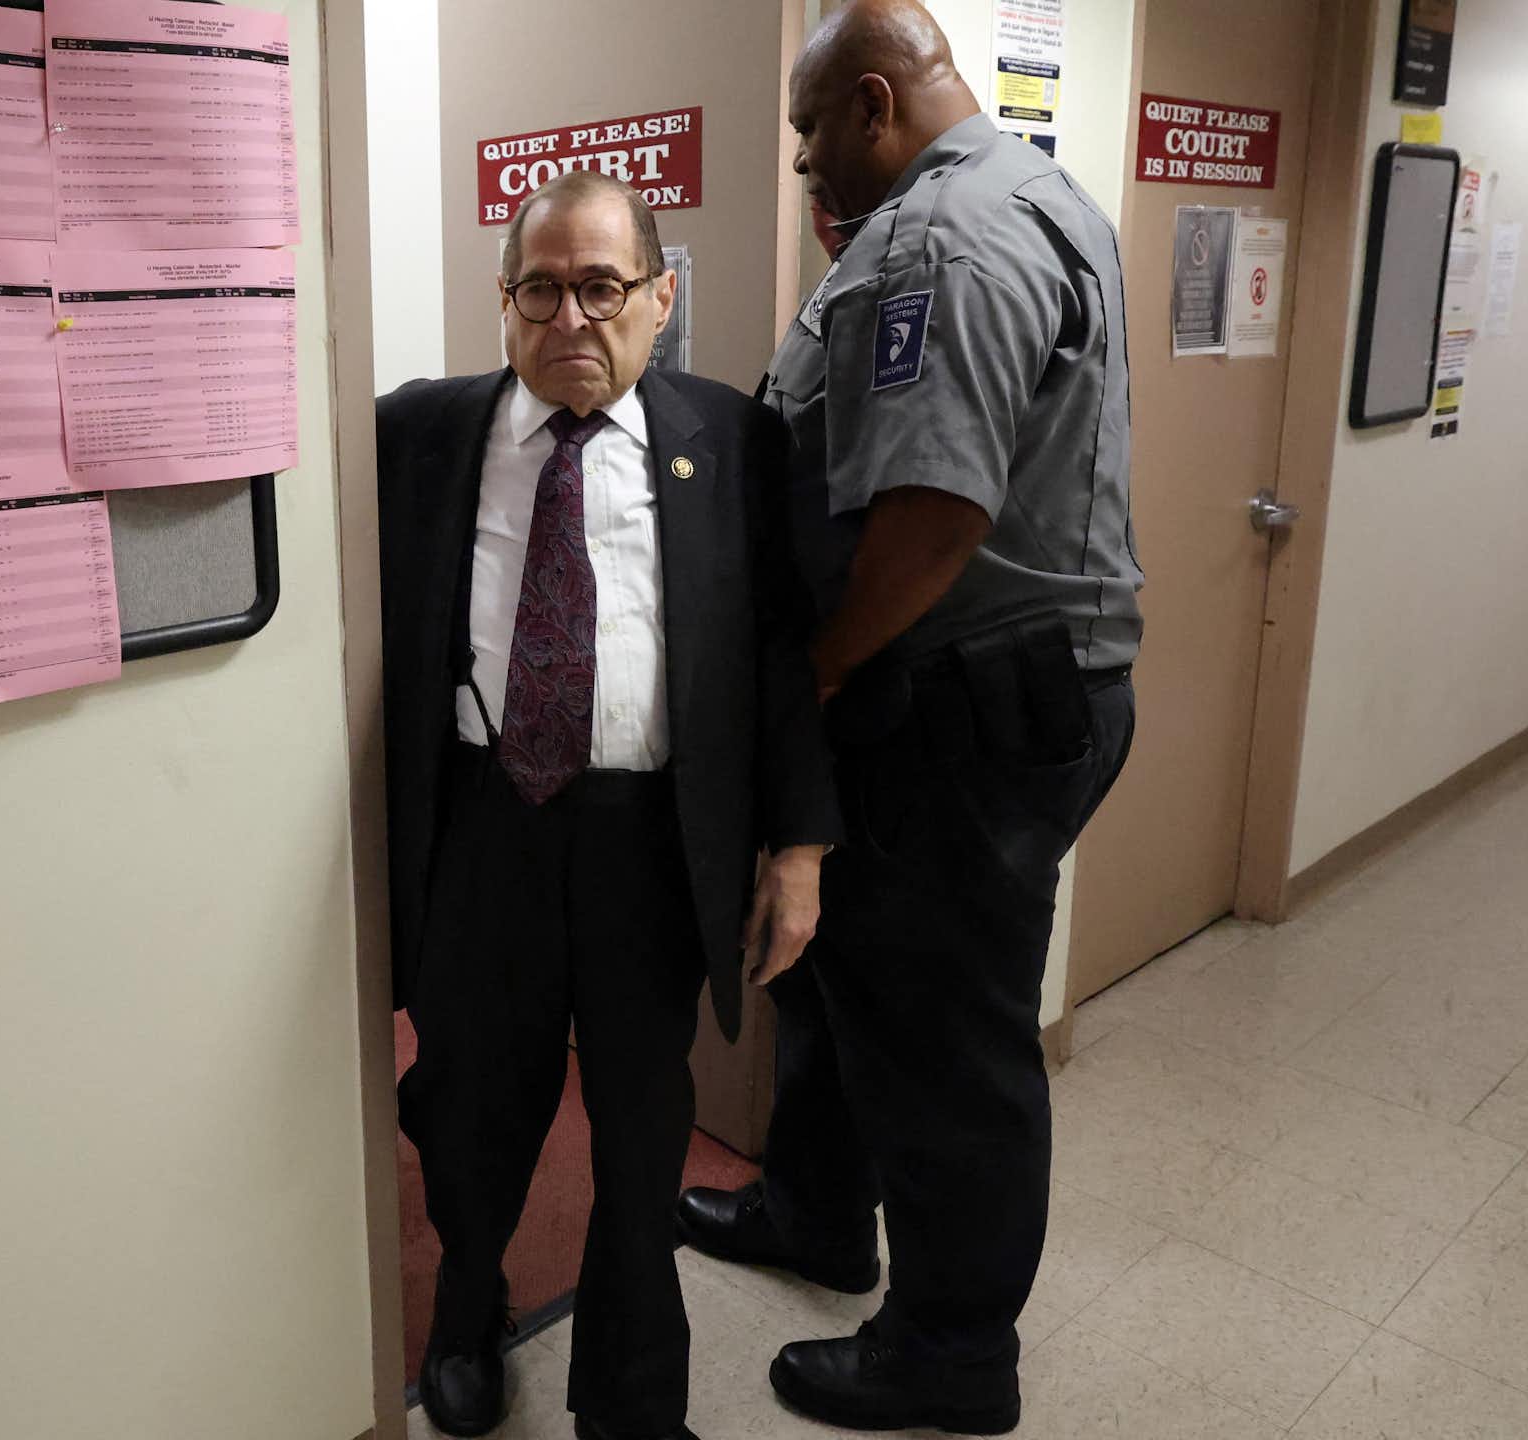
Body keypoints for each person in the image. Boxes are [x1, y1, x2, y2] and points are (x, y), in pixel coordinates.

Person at [676, 2, 1142, 1434]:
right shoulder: (1041, 195)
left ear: (873, 102)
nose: (808, 163)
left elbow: (936, 516)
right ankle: (819, 1212)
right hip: (972, 691)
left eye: (815, 130)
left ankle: (951, 1355)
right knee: (846, 981)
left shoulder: (938, 243)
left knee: (946, 1041)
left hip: (961, 702)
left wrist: (807, 676)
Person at [377, 171, 839, 1440]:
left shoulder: (731, 442)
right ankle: (467, 1308)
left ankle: (634, 1403)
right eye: (540, 288)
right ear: (504, 299)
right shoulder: (418, 436)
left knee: (642, 1140)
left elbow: (780, 656)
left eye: (601, 287)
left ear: (657, 296)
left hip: (650, 846)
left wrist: (796, 848)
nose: (570, 317)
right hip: (481, 835)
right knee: (471, 1114)